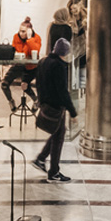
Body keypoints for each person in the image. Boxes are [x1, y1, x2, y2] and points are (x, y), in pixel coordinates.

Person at [31, 38, 78, 183]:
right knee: (58, 137)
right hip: (56, 107)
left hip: (46, 104)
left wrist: (40, 101)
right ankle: (54, 172)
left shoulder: (43, 61)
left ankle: (41, 159)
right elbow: (62, 92)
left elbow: (38, 83)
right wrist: (73, 112)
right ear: (65, 53)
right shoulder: (59, 66)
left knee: (58, 133)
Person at [1, 18, 43, 106]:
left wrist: (29, 39)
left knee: (25, 86)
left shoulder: (36, 38)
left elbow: (35, 52)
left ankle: (36, 101)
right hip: (19, 65)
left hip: (31, 67)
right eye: (20, 31)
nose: (21, 33)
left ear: (29, 31)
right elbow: (15, 52)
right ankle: (11, 102)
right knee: (4, 84)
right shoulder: (16, 37)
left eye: (23, 31)